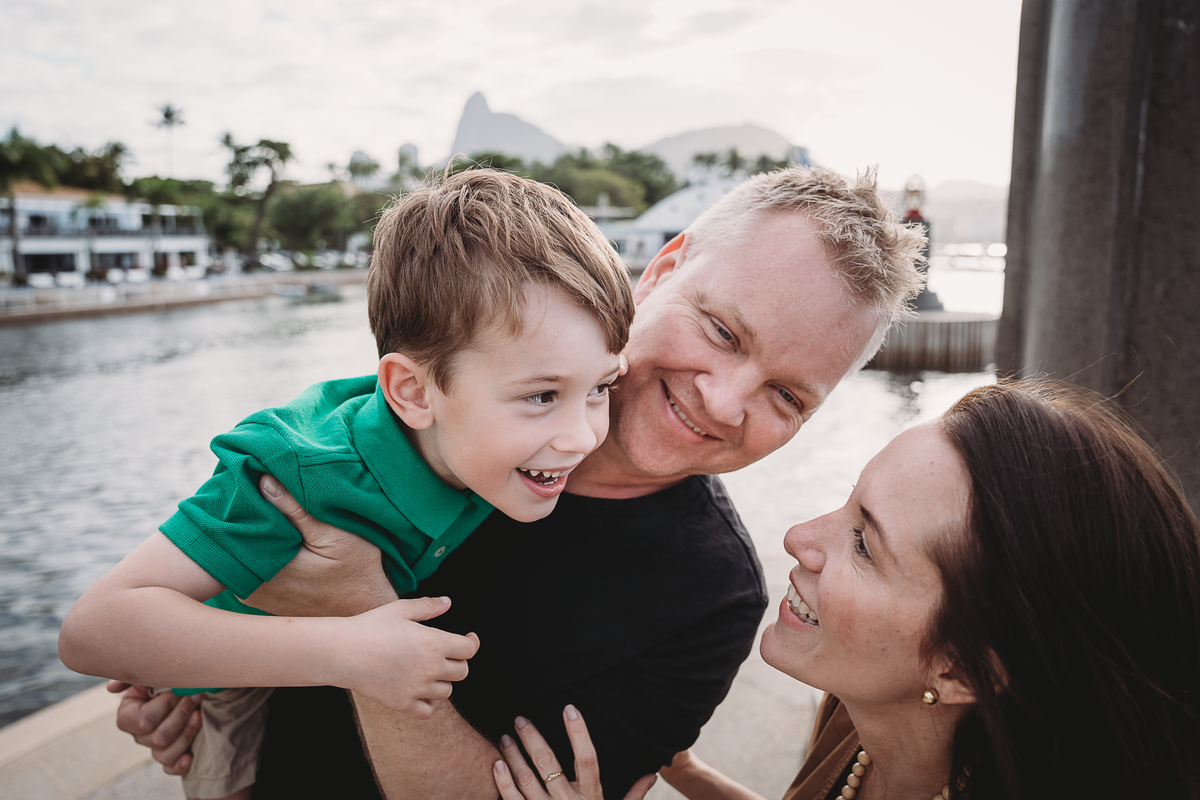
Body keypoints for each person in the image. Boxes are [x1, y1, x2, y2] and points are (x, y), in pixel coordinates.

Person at [110, 166, 928, 798]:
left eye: (787, 397)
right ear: (662, 268)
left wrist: (357, 604)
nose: (723, 401)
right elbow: (186, 597)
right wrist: (202, 675)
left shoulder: (709, 598)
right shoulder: (456, 369)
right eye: (720, 330)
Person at [58, 168, 636, 800]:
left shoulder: (483, 446)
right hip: (216, 687)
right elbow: (93, 629)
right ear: (413, 392)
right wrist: (348, 651)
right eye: (542, 395)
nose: (582, 437)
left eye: (601, 387)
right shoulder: (296, 475)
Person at [492, 381, 1200, 800]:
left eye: (864, 543)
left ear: (962, 670)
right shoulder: (869, 717)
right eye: (848, 503)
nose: (799, 536)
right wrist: (685, 769)